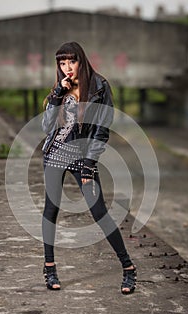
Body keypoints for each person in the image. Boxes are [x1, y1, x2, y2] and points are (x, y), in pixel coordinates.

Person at [42, 41, 136, 294]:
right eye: (62, 63)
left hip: (83, 157)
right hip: (55, 155)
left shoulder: (99, 86)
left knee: (99, 213)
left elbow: (102, 129)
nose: (67, 68)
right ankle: (49, 269)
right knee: (51, 210)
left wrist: (88, 165)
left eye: (71, 61)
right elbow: (46, 128)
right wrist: (57, 96)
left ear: (81, 61)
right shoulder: (60, 89)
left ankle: (128, 268)